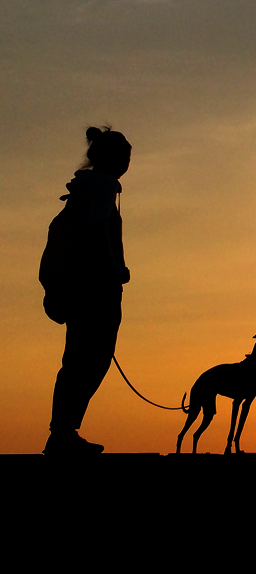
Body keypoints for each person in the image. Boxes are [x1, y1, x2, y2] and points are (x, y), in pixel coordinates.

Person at [40, 126, 132, 455]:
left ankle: (62, 432)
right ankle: (63, 433)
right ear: (116, 159)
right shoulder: (104, 185)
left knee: (77, 360)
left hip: (78, 288)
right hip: (96, 288)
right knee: (90, 360)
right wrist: (113, 269)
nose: (128, 163)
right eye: (126, 157)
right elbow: (96, 228)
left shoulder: (83, 189)